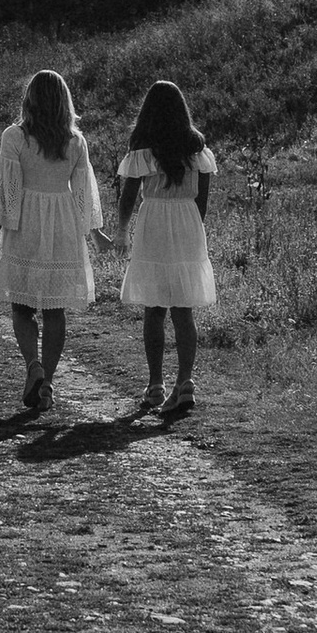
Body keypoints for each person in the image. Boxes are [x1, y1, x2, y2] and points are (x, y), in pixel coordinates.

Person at [0, 68, 103, 414]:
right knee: (55, 309)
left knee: (21, 306)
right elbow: (83, 193)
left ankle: (33, 366)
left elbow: (7, 190)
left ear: (30, 99)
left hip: (25, 223)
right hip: (62, 223)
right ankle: (48, 381)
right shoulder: (75, 141)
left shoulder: (15, 137)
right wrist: (92, 233)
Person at [115, 75, 217, 418]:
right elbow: (202, 202)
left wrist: (122, 229)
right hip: (187, 221)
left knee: (154, 307)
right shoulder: (197, 148)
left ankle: (156, 383)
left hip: (154, 220)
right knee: (183, 307)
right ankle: (184, 382)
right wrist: (191, 226)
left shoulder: (143, 148)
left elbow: (129, 195)